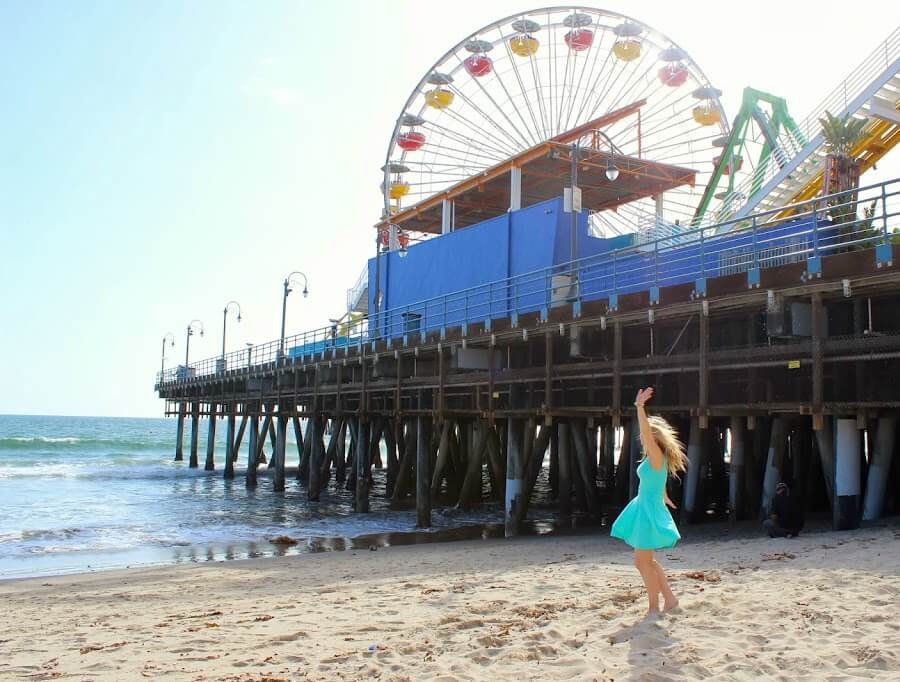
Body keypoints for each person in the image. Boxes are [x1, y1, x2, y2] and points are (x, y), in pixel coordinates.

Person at [611, 387, 688, 615]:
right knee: (646, 561)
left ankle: (655, 607)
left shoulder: (656, 455)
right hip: (646, 505)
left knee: (642, 562)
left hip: (647, 509)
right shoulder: (655, 459)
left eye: (647, 437)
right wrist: (665, 496)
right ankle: (670, 599)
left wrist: (640, 407)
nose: (643, 439)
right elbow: (659, 480)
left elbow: (644, 432)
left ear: (654, 439)